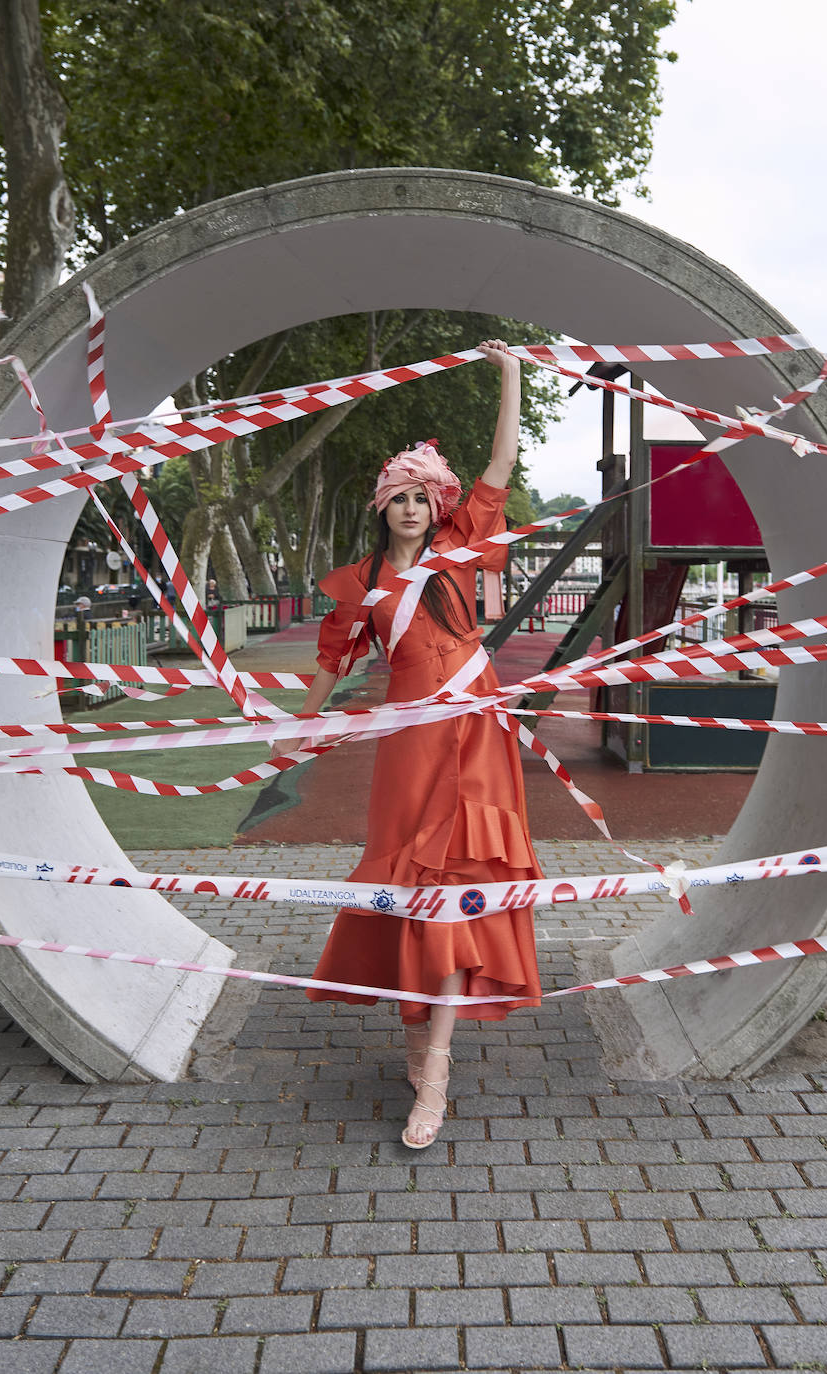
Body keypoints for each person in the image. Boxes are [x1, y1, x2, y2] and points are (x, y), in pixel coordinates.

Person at [278, 340, 542, 1149]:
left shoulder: (462, 548)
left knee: (460, 875)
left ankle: (436, 1071)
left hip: (474, 729)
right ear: (382, 507)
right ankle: (413, 1035)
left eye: (422, 498)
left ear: (438, 507)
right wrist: (297, 729)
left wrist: (508, 372)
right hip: (407, 743)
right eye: (399, 498)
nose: (411, 509)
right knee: (404, 874)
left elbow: (502, 457)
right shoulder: (358, 586)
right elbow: (330, 665)